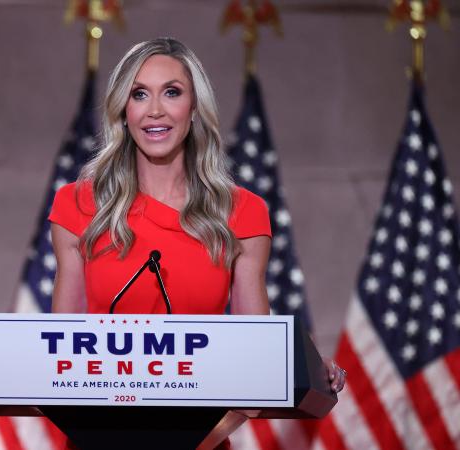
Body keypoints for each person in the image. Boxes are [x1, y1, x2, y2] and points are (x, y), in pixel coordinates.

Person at [48, 37, 346, 394]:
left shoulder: (241, 213)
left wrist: (307, 367)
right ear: (123, 112)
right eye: (139, 94)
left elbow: (256, 341)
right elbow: (59, 349)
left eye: (171, 92)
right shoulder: (78, 205)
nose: (154, 110)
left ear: (194, 108)